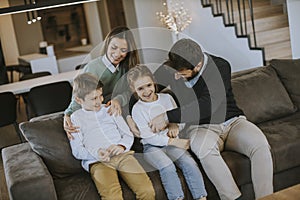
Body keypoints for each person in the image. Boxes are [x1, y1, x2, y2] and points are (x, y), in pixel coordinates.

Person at [148, 38, 273, 200]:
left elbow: (208, 105)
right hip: (201, 128)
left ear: (198, 66)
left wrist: (167, 116)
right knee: (203, 148)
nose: (176, 76)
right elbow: (145, 86)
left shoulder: (220, 66)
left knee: (260, 145)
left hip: (233, 122)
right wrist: (120, 102)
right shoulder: (172, 68)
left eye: (182, 73)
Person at [69, 73, 155, 200]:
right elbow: (77, 150)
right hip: (98, 162)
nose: (99, 101)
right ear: (79, 100)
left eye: (100, 96)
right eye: (93, 99)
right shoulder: (75, 118)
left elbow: (127, 134)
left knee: (147, 191)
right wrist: (97, 153)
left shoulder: (110, 109)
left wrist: (121, 146)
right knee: (112, 197)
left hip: (123, 156)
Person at [128, 64, 207, 200]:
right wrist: (174, 141)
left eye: (149, 85)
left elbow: (181, 121)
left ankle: (201, 197)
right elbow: (148, 137)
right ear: (133, 89)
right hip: (151, 147)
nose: (146, 91)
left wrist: (175, 125)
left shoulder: (167, 98)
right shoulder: (137, 109)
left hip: (172, 144)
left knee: (189, 162)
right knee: (167, 166)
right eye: (140, 89)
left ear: (153, 82)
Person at [64, 26, 139, 139]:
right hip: (96, 114)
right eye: (114, 47)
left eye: (123, 50)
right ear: (107, 45)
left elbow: (132, 92)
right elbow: (79, 97)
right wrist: (68, 114)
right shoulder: (93, 68)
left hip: (115, 112)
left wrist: (118, 99)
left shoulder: (127, 67)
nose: (117, 54)